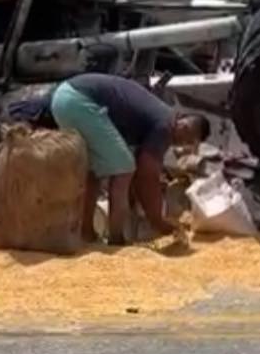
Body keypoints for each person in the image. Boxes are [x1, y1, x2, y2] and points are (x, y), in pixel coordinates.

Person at [49, 72, 210, 245]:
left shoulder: (155, 117)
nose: (182, 142)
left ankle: (86, 234)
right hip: (80, 100)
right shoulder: (165, 126)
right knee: (124, 168)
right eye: (186, 137)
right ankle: (116, 239)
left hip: (65, 97)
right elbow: (146, 175)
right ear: (182, 123)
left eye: (188, 142)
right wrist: (157, 220)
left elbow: (140, 173)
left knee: (95, 170)